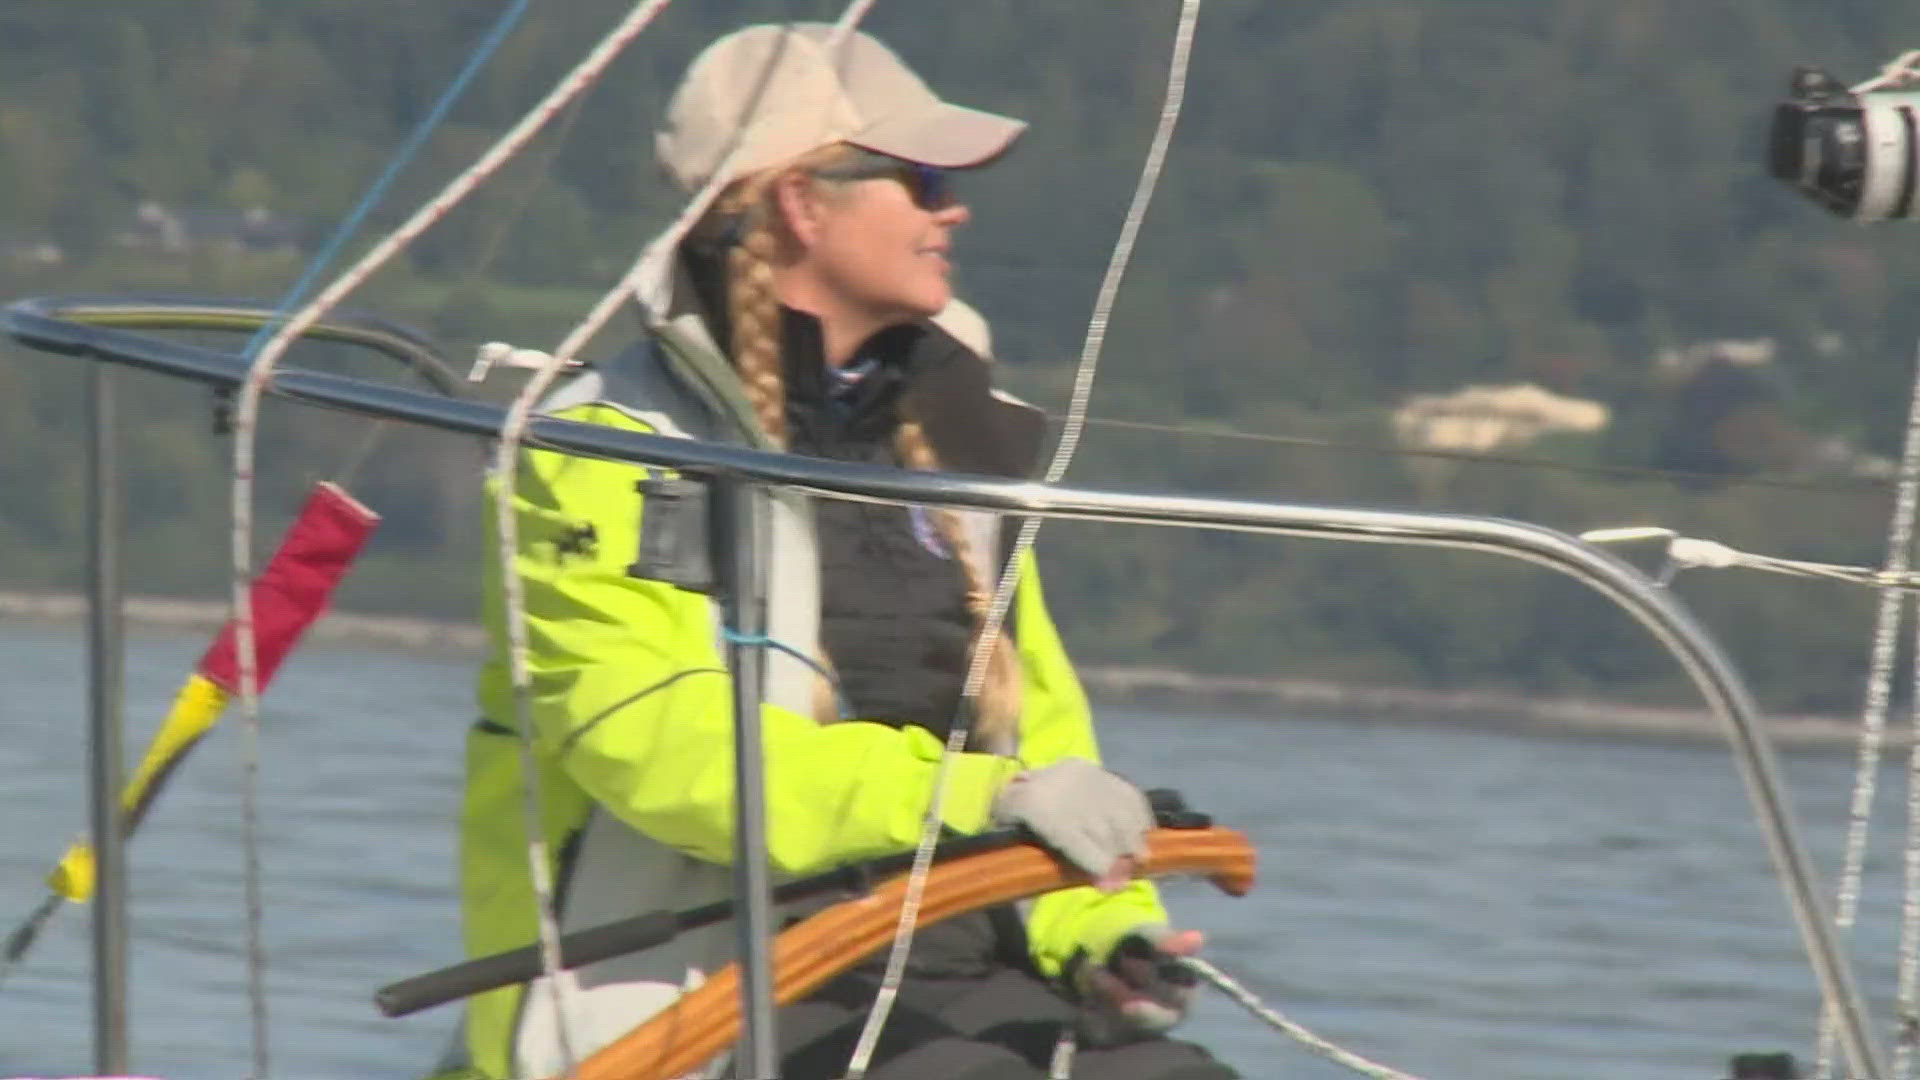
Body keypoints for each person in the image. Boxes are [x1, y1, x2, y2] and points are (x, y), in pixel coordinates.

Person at [441, 22, 1238, 1080]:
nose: (951, 207)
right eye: (916, 177)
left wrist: (1102, 937)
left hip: (961, 968)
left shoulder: (958, 450)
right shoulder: (608, 447)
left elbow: (1043, 735)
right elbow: (670, 753)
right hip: (721, 985)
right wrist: (979, 798)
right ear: (800, 203)